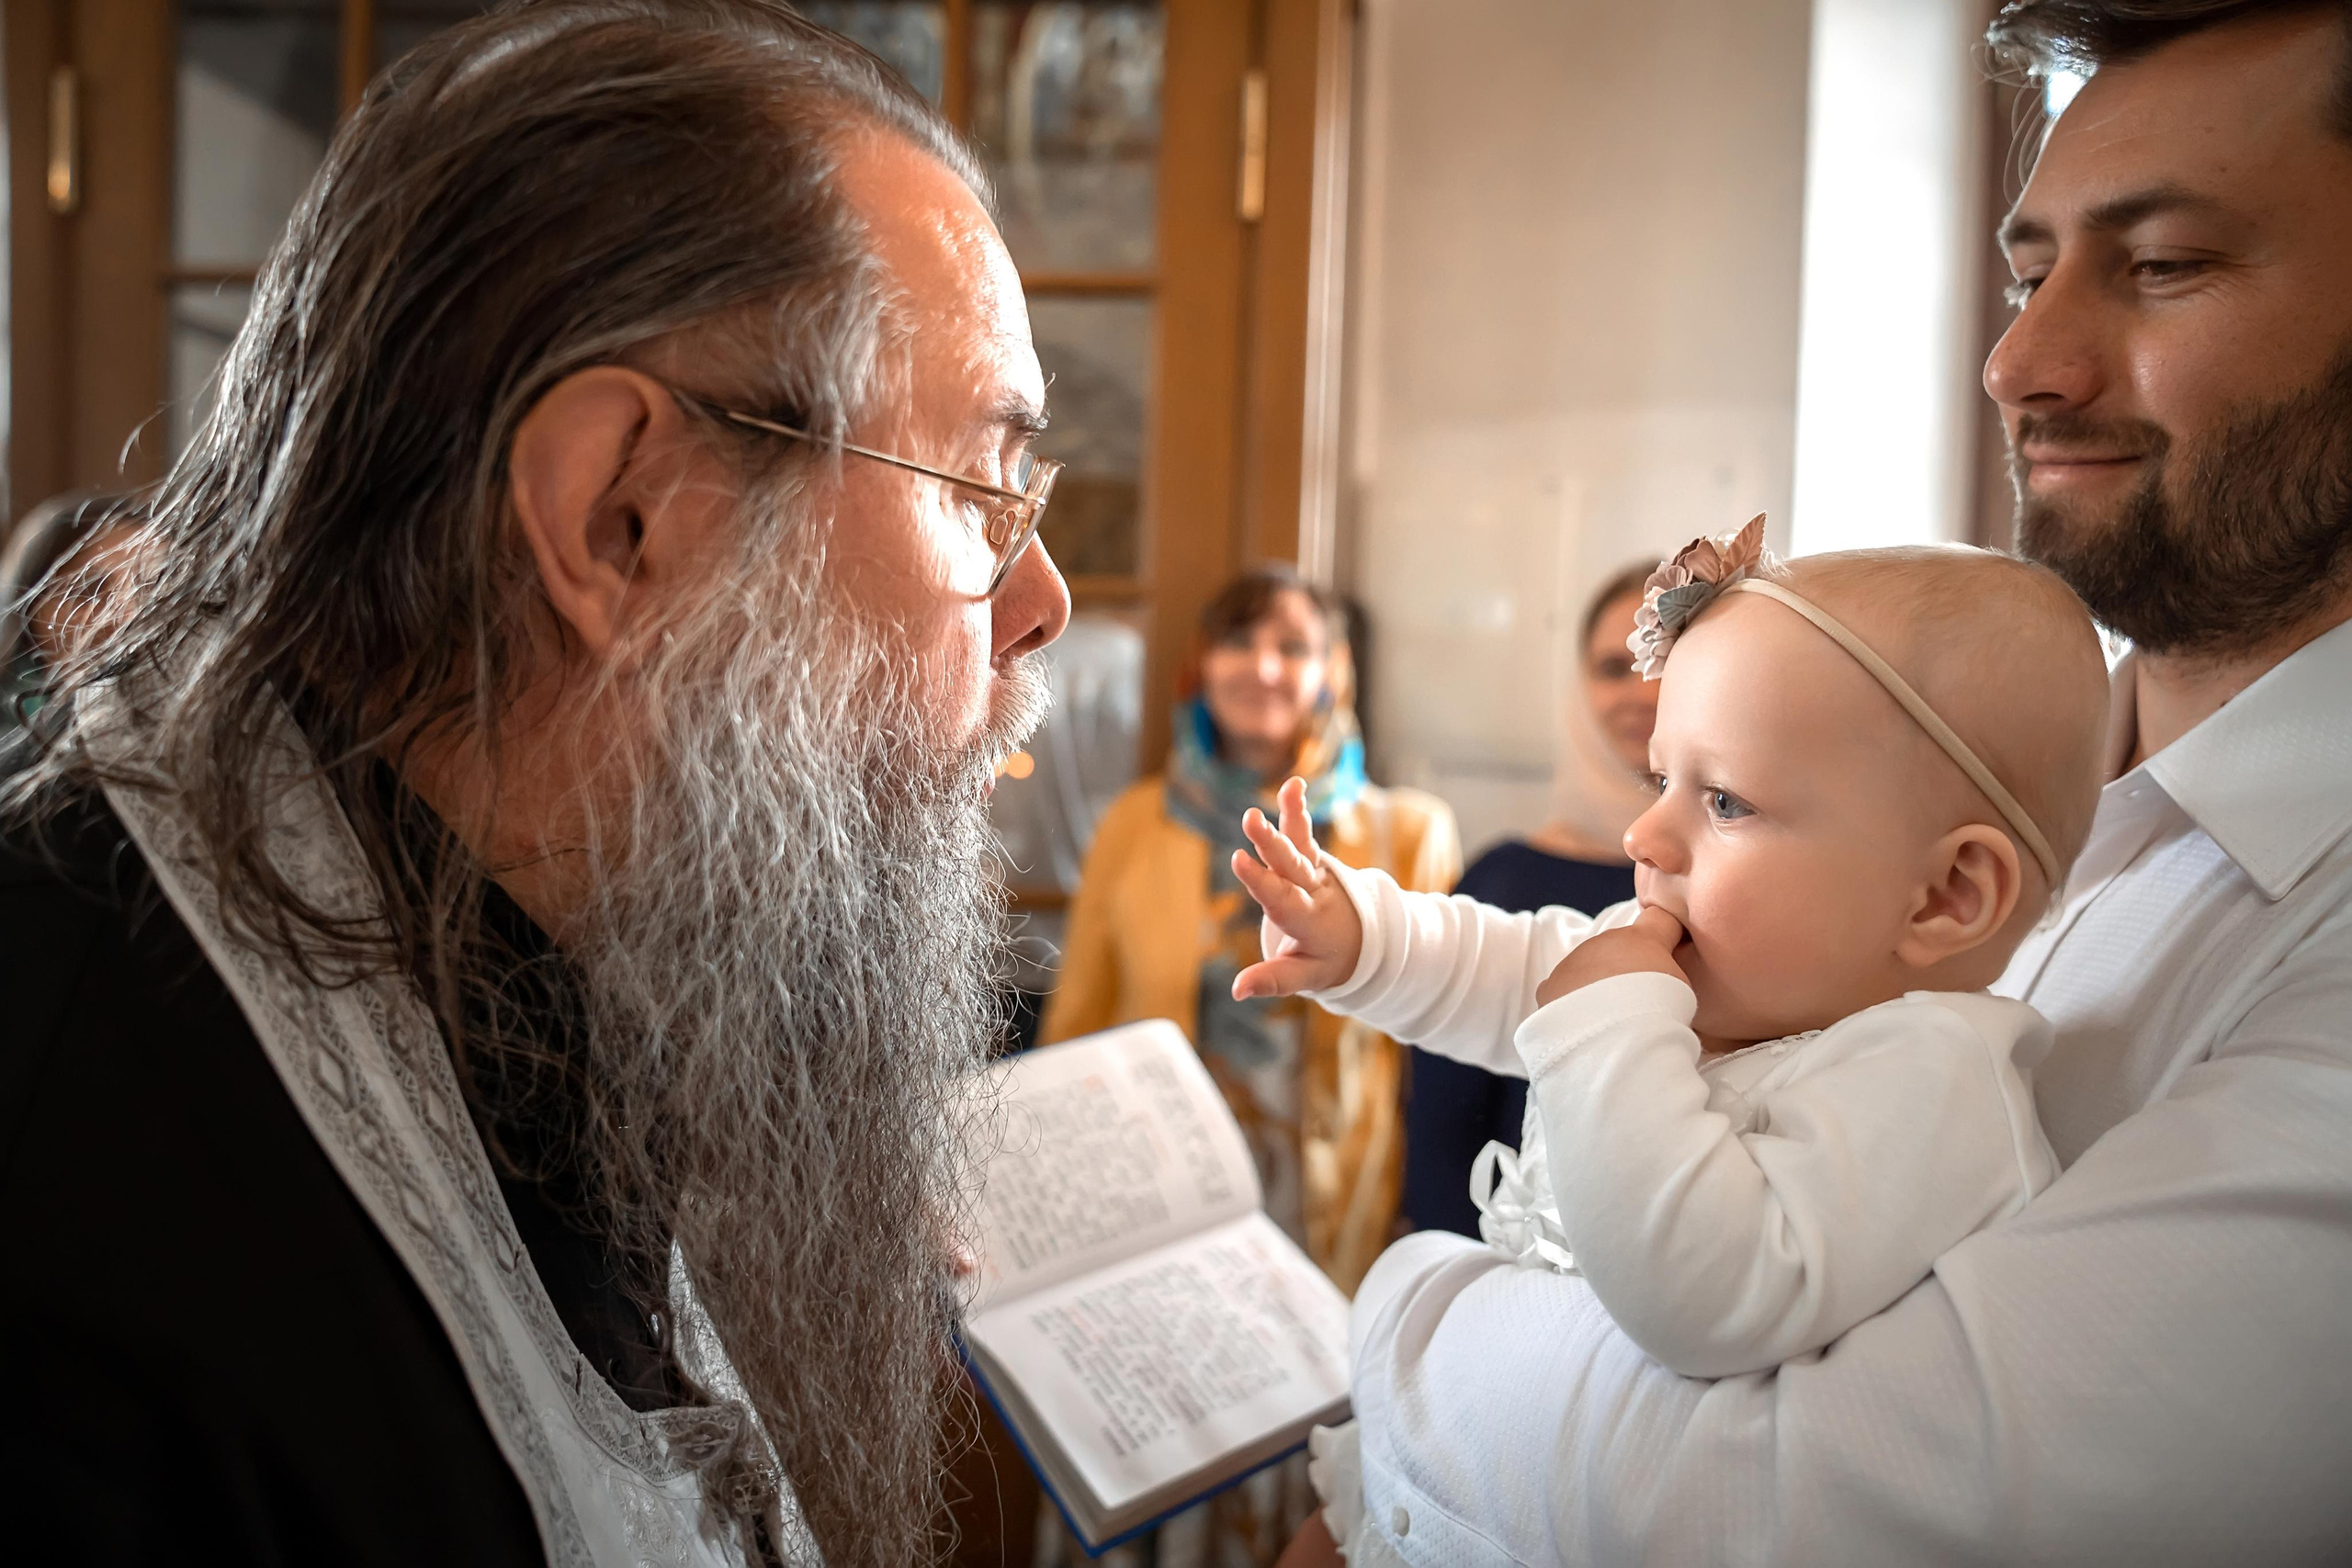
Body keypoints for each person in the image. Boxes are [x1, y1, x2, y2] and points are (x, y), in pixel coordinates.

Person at [1276, 3, 2352, 1562]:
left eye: (2166, 262)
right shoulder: (1928, 790)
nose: (2019, 363)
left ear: (1962, 889)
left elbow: (1797, 1503)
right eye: (2029, 271)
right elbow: (1547, 973)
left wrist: (1408, 1319)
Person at [0, 6, 1069, 1566]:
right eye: (981, 488)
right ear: (620, 513)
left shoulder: (575, 916)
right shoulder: (66, 1196)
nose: (1042, 601)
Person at [1235, 532, 2112, 1556]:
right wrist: (1369, 940)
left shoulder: (1939, 1082)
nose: (1642, 840)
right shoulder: (1714, 985)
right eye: (1660, 781)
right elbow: (1518, 969)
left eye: (1725, 801)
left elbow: (1714, 1291)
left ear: (1944, 895)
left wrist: (1611, 1025)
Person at [1037, 567, 1455, 1565]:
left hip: (1321, 1209)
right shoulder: (1138, 821)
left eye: (1293, 648)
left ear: (1331, 672)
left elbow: (1427, 1063)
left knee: (1299, 1468)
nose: (1263, 669)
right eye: (1238, 643)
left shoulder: (1407, 832)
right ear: (1199, 667)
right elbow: (1077, 1023)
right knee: (1151, 1445)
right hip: (1155, 1205)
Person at [1401, 561, 1657, 1237]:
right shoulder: (1504, 883)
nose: (1641, 689)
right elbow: (1443, 1138)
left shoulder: (1752, 888)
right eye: (1612, 666)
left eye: (1664, 658)